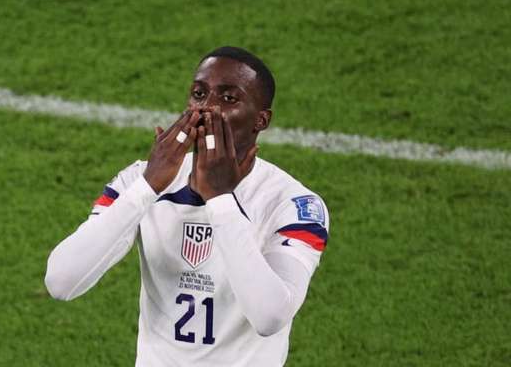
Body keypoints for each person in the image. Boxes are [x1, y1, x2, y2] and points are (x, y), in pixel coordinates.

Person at [45, 46, 330, 366]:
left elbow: (269, 317)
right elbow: (61, 281)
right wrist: (147, 187)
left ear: (260, 120)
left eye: (229, 99)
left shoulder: (293, 203)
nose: (207, 108)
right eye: (199, 93)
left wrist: (220, 200)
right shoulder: (138, 180)